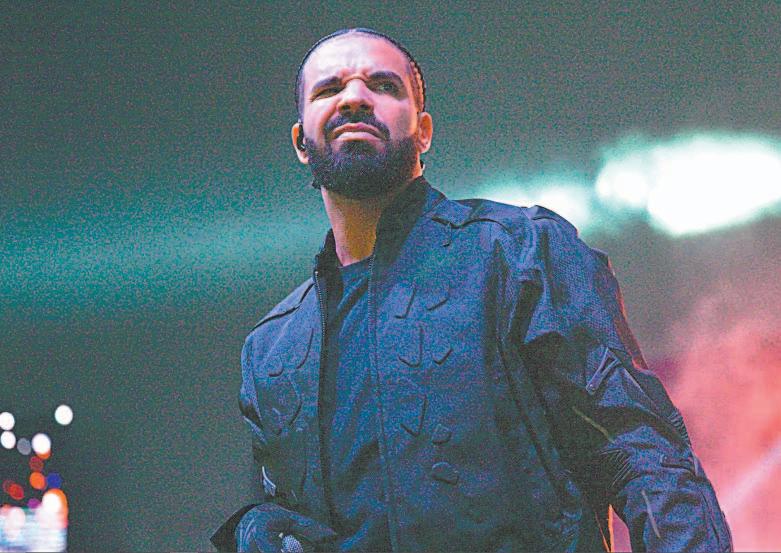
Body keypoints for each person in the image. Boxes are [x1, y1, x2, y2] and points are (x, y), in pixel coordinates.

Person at [212, 28, 732, 552]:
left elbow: (639, 451)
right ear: (301, 142)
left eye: (383, 85)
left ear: (423, 132)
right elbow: (285, 512)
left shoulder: (520, 252)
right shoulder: (271, 349)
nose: (354, 97)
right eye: (329, 89)